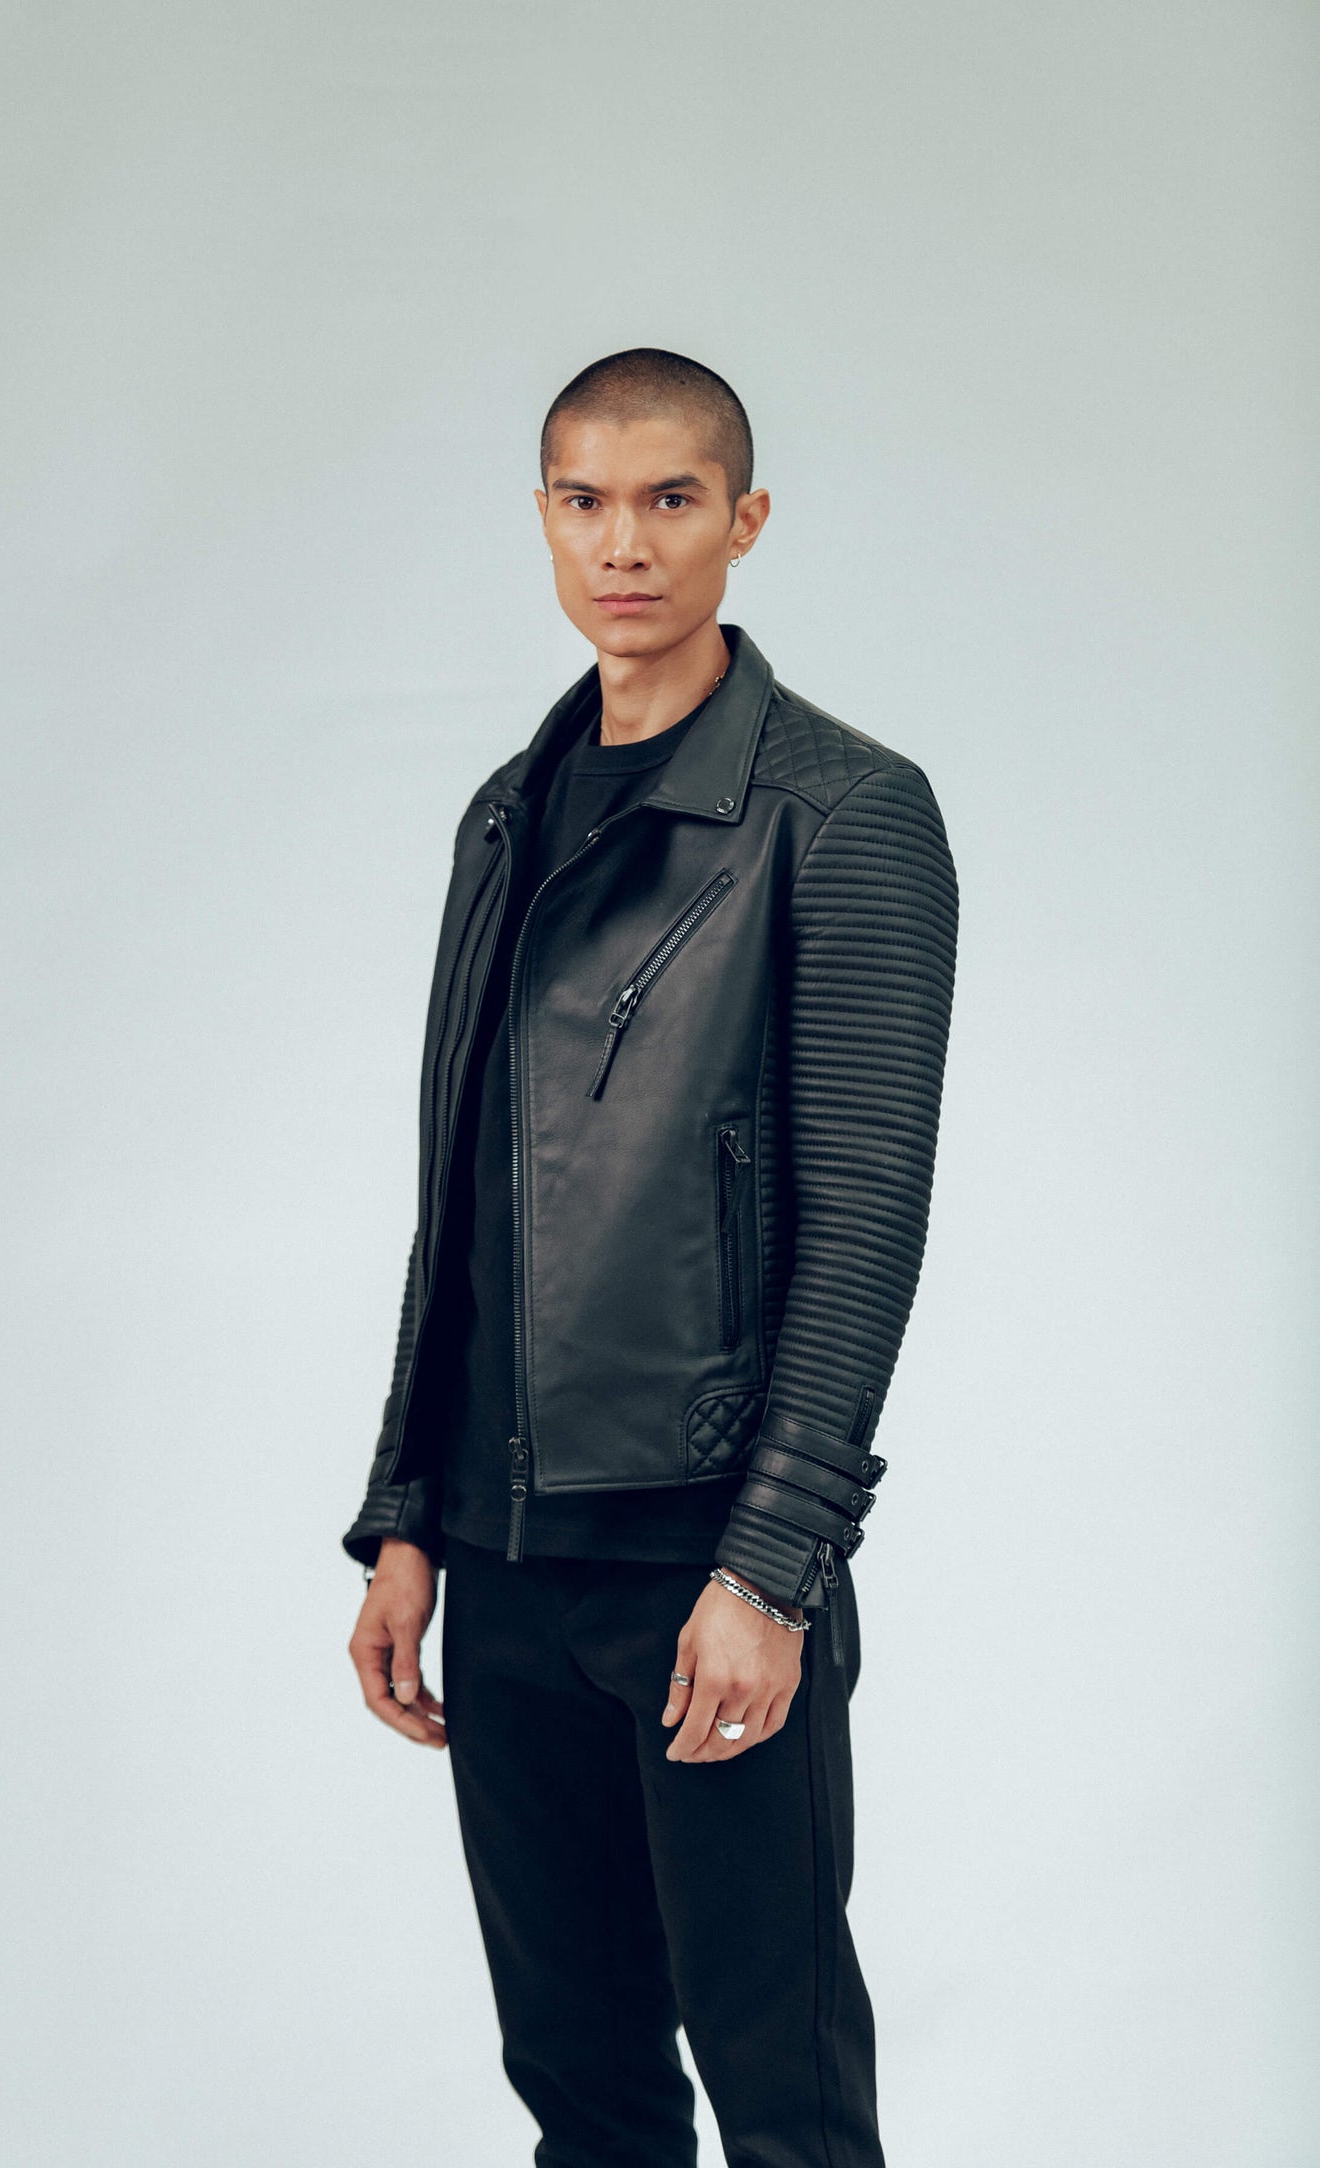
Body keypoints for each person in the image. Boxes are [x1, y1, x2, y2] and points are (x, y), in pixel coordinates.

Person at [344, 347, 959, 2167]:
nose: (625, 544)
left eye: (670, 499)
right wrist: (405, 1511)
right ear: (543, 519)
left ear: (742, 521)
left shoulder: (841, 813)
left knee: (782, 2096)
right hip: (502, 1559)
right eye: (586, 501)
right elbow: (462, 1192)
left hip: (702, 1557)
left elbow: (865, 1217)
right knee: (583, 2093)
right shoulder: (503, 811)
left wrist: (770, 1564)